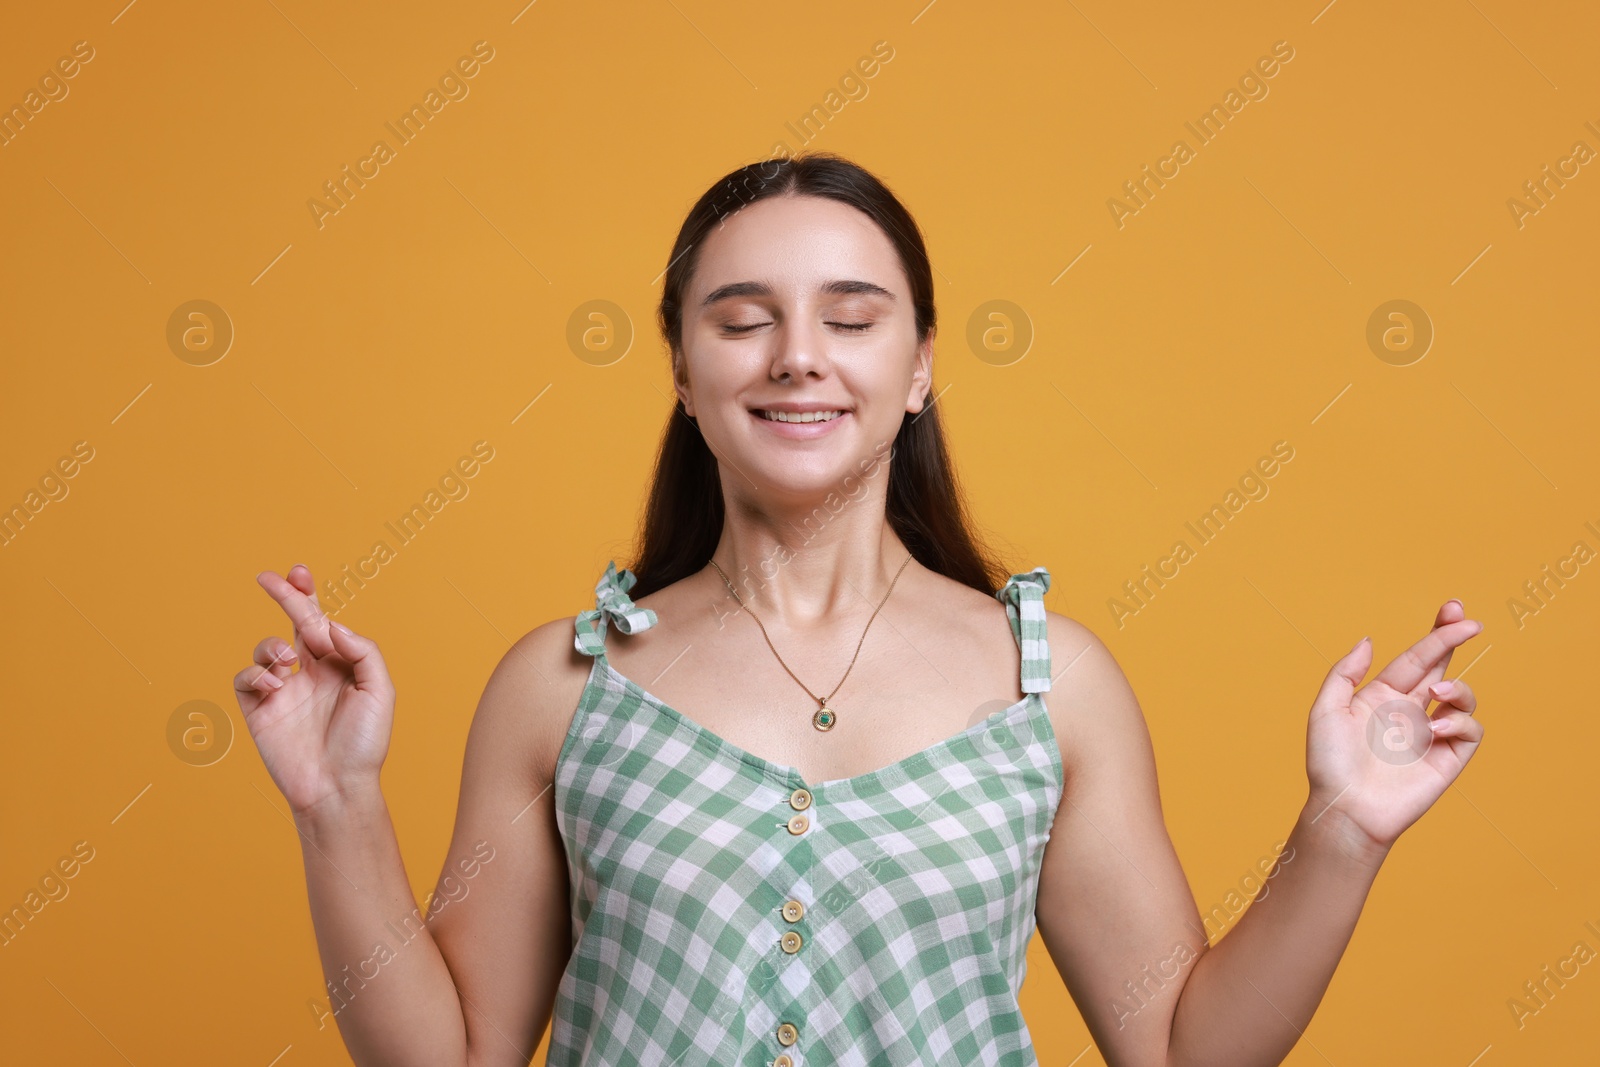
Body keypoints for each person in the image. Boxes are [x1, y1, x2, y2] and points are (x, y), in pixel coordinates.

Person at [235, 153, 1485, 1066]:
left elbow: (1175, 1044)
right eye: (742, 320)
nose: (797, 355)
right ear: (682, 368)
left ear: (921, 363)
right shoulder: (565, 684)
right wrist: (335, 803)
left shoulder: (1045, 682)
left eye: (850, 316)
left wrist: (1342, 831)